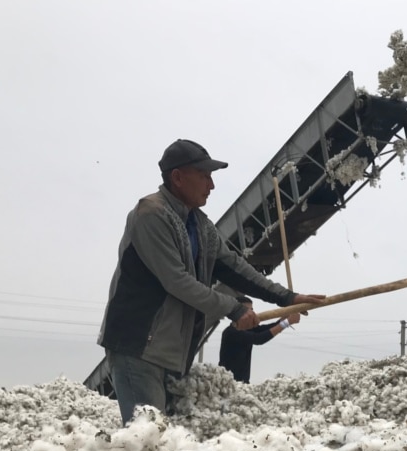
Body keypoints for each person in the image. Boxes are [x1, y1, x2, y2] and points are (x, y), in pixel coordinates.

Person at [98, 138, 325, 424]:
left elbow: (233, 267)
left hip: (168, 353)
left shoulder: (200, 225)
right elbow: (177, 281)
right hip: (138, 347)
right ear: (178, 177)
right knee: (147, 442)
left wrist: (287, 297)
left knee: (163, 444)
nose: (211, 185)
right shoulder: (151, 214)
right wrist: (234, 308)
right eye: (204, 176)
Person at [218, 297, 302, 383]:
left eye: (251, 310)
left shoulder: (247, 329)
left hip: (243, 383)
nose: (250, 314)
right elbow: (259, 338)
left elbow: (263, 329)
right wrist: (286, 323)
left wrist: (282, 320)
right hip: (229, 383)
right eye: (247, 310)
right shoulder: (231, 332)